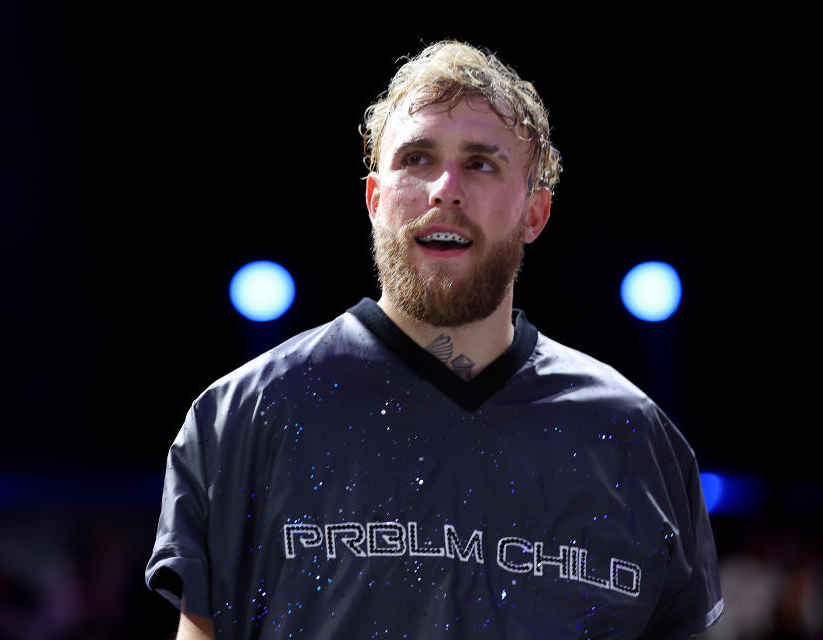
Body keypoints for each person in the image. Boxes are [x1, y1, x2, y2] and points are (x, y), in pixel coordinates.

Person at [145, 40, 723, 639]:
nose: (445, 189)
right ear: (374, 200)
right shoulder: (242, 416)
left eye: (480, 163)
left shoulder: (637, 438)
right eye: (416, 158)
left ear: (535, 212)